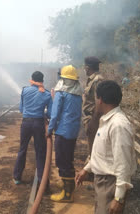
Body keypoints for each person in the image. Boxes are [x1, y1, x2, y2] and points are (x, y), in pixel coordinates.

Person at [75, 80, 137, 214]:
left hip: (110, 183)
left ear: (100, 100)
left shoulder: (118, 125)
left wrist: (119, 198)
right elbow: (103, 153)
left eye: (96, 97)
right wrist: (87, 169)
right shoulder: (107, 120)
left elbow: (123, 163)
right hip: (103, 181)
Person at [46, 65, 83, 203]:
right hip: (72, 131)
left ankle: (67, 194)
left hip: (62, 131)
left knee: (62, 161)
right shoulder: (78, 94)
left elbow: (54, 115)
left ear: (63, 79)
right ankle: (67, 184)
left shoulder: (61, 93)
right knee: (68, 158)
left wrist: (49, 130)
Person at [13, 71, 53, 185]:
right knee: (40, 152)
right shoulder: (47, 94)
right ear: (42, 81)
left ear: (32, 79)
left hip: (26, 123)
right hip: (39, 124)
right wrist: (42, 112)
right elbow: (50, 113)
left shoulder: (25, 90)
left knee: (22, 149)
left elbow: (21, 109)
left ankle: (17, 177)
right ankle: (42, 181)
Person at [83, 56, 104, 155]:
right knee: (91, 147)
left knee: (93, 150)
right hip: (90, 117)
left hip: (93, 118)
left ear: (87, 68)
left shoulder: (97, 80)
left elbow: (98, 103)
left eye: (85, 67)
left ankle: (92, 169)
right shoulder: (92, 79)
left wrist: (93, 122)